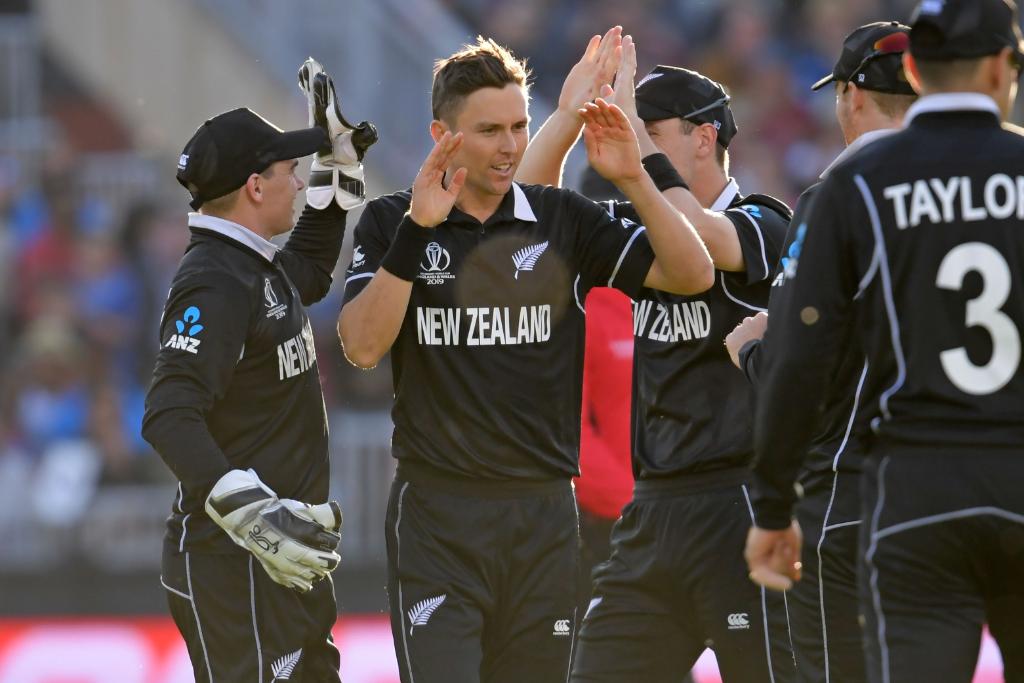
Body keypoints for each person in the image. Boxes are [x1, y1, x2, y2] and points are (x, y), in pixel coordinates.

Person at [337, 36, 713, 683]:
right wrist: (416, 235)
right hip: (439, 519)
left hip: (543, 518)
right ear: (442, 134)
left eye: (519, 127)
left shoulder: (562, 219)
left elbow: (693, 272)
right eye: (489, 130)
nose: (510, 145)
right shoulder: (391, 221)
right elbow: (362, 346)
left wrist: (632, 176)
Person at [744, 0, 1024, 680]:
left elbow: (798, 355)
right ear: (1000, 67)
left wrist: (775, 503)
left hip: (915, 490)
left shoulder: (854, 183)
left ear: (919, 72)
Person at [518, 34, 795, 682]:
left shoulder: (767, 222)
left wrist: (634, 160)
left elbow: (700, 238)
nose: (621, 134)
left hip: (742, 503)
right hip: (649, 512)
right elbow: (525, 213)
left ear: (704, 138)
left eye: (645, 125)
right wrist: (565, 117)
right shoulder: (635, 226)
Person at [141, 61, 376, 682]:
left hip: (275, 560)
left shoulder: (251, 264)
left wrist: (342, 164)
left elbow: (314, 269)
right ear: (253, 186)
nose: (299, 183)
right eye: (290, 171)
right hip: (235, 563)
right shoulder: (215, 281)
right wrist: (253, 518)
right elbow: (168, 415)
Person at [724, 21, 916, 683]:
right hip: (950, 489)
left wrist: (753, 350)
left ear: (851, 97)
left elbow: (800, 363)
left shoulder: (835, 196)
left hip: (846, 496)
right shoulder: (979, 188)